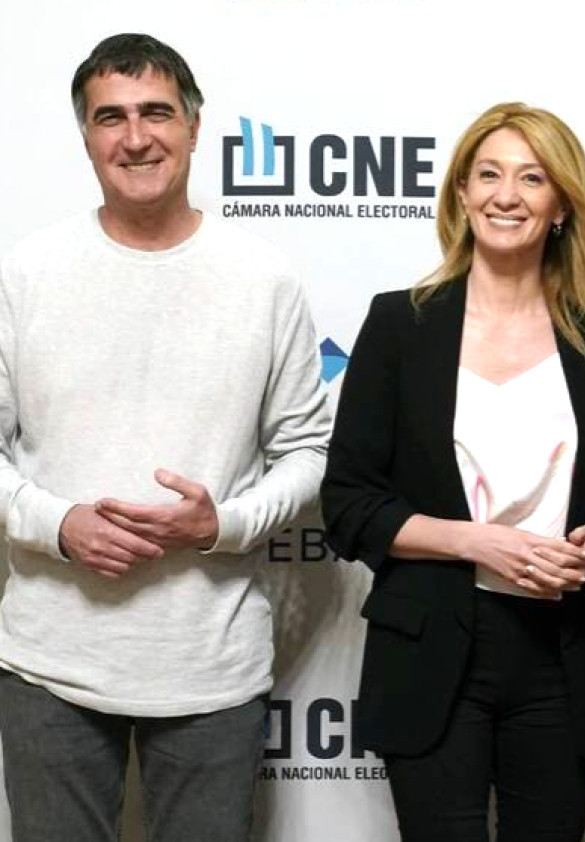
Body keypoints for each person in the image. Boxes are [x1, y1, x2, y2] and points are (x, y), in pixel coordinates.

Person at [0, 32, 330, 842]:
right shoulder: (24, 274)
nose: (136, 136)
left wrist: (224, 525)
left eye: (156, 113)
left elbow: (307, 451)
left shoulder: (265, 279)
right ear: (85, 137)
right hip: (51, 668)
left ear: (193, 126)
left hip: (211, 671)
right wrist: (59, 525)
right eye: (111, 117)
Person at [321, 101, 585, 842]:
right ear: (461, 193)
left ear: (562, 203)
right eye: (490, 174)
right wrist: (478, 543)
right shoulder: (400, 324)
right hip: (433, 652)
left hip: (564, 660)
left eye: (533, 178)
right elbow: (347, 504)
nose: (508, 195)